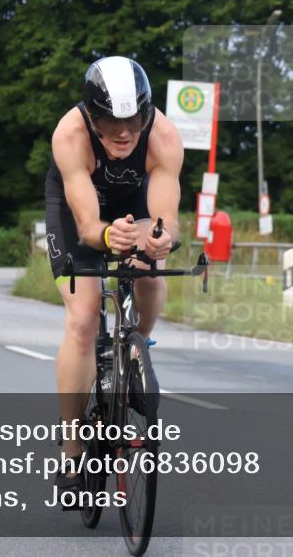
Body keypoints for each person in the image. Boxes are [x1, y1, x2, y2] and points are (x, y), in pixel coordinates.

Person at [45, 56, 183, 492]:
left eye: (134, 120)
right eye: (109, 121)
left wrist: (158, 237)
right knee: (84, 318)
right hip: (78, 212)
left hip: (134, 201)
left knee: (150, 270)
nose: (123, 132)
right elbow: (87, 229)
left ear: (146, 113)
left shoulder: (162, 136)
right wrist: (109, 236)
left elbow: (166, 220)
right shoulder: (70, 135)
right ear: (91, 115)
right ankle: (71, 454)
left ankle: (136, 346)